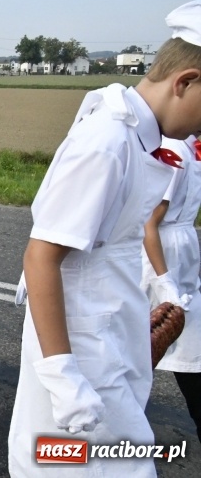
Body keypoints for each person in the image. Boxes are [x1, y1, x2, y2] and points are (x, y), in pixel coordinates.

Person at [8, 0, 201, 477]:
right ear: (185, 82)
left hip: (104, 333)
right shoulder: (108, 141)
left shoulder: (135, 136)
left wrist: (146, 300)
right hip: (80, 349)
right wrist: (63, 376)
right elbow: (41, 257)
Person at [141, 132, 201, 445]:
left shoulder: (193, 149)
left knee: (187, 352)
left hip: (182, 255)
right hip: (161, 259)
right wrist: (164, 282)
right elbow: (149, 223)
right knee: (146, 346)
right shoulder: (175, 149)